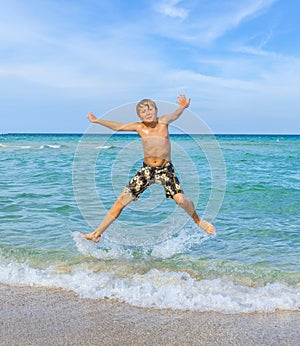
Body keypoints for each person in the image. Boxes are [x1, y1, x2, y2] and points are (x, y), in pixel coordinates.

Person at [80, 94, 215, 243]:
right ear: (139, 116)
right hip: (147, 171)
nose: (148, 113)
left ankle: (198, 221)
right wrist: (97, 120)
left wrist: (182, 107)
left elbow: (175, 114)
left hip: (165, 170)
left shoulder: (164, 122)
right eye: (143, 112)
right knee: (121, 201)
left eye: (150, 109)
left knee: (181, 200)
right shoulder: (139, 127)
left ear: (156, 110)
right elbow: (117, 126)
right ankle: (96, 233)